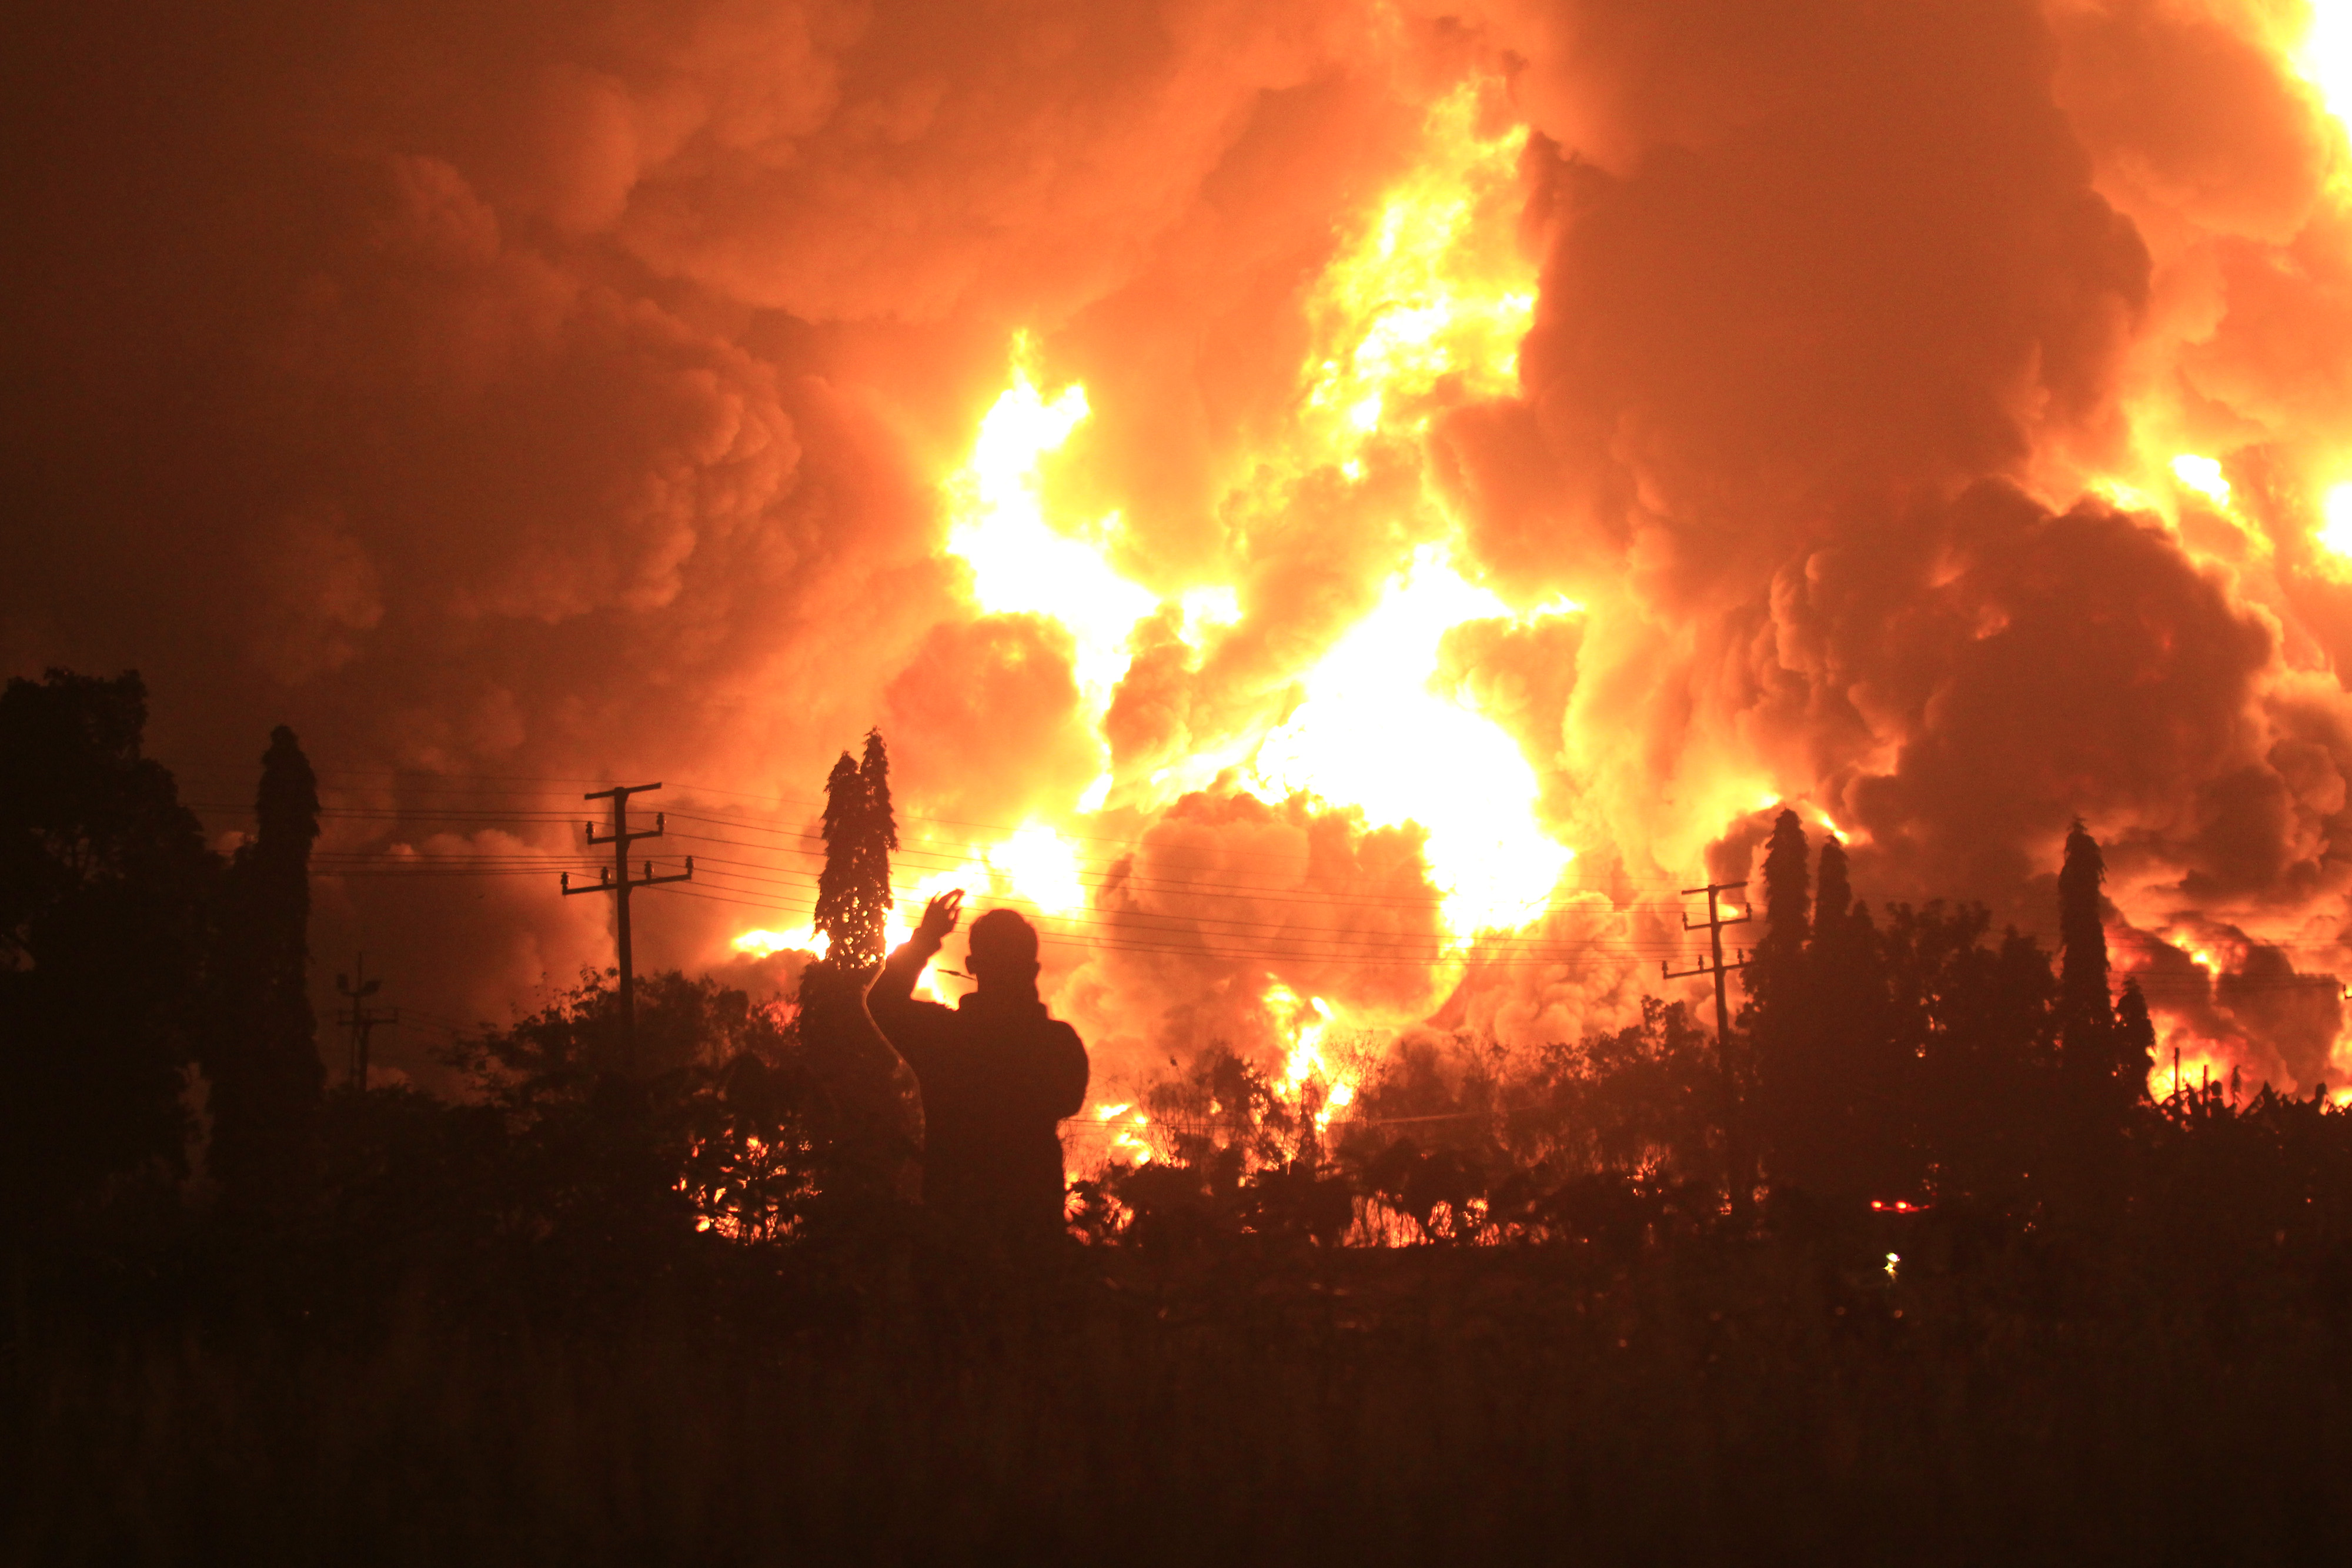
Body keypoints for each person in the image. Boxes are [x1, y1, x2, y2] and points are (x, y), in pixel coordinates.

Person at [866, 890, 1089, 1241]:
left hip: (955, 1232)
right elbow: (1067, 1100)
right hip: (1031, 1234)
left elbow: (883, 1000)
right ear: (1033, 969)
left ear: (972, 966)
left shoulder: (944, 1039)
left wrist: (926, 938)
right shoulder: (1058, 1044)